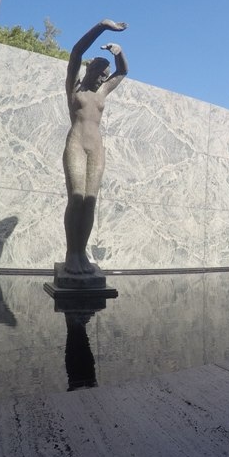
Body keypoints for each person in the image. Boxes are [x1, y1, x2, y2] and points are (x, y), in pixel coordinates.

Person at [63, 19, 128, 274]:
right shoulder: (75, 89)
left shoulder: (102, 93)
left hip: (96, 148)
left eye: (105, 74)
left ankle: (82, 254)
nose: (103, 77)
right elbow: (76, 52)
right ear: (90, 69)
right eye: (100, 72)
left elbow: (122, 71)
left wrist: (119, 52)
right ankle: (71, 254)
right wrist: (102, 26)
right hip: (77, 144)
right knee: (76, 198)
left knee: (90, 201)